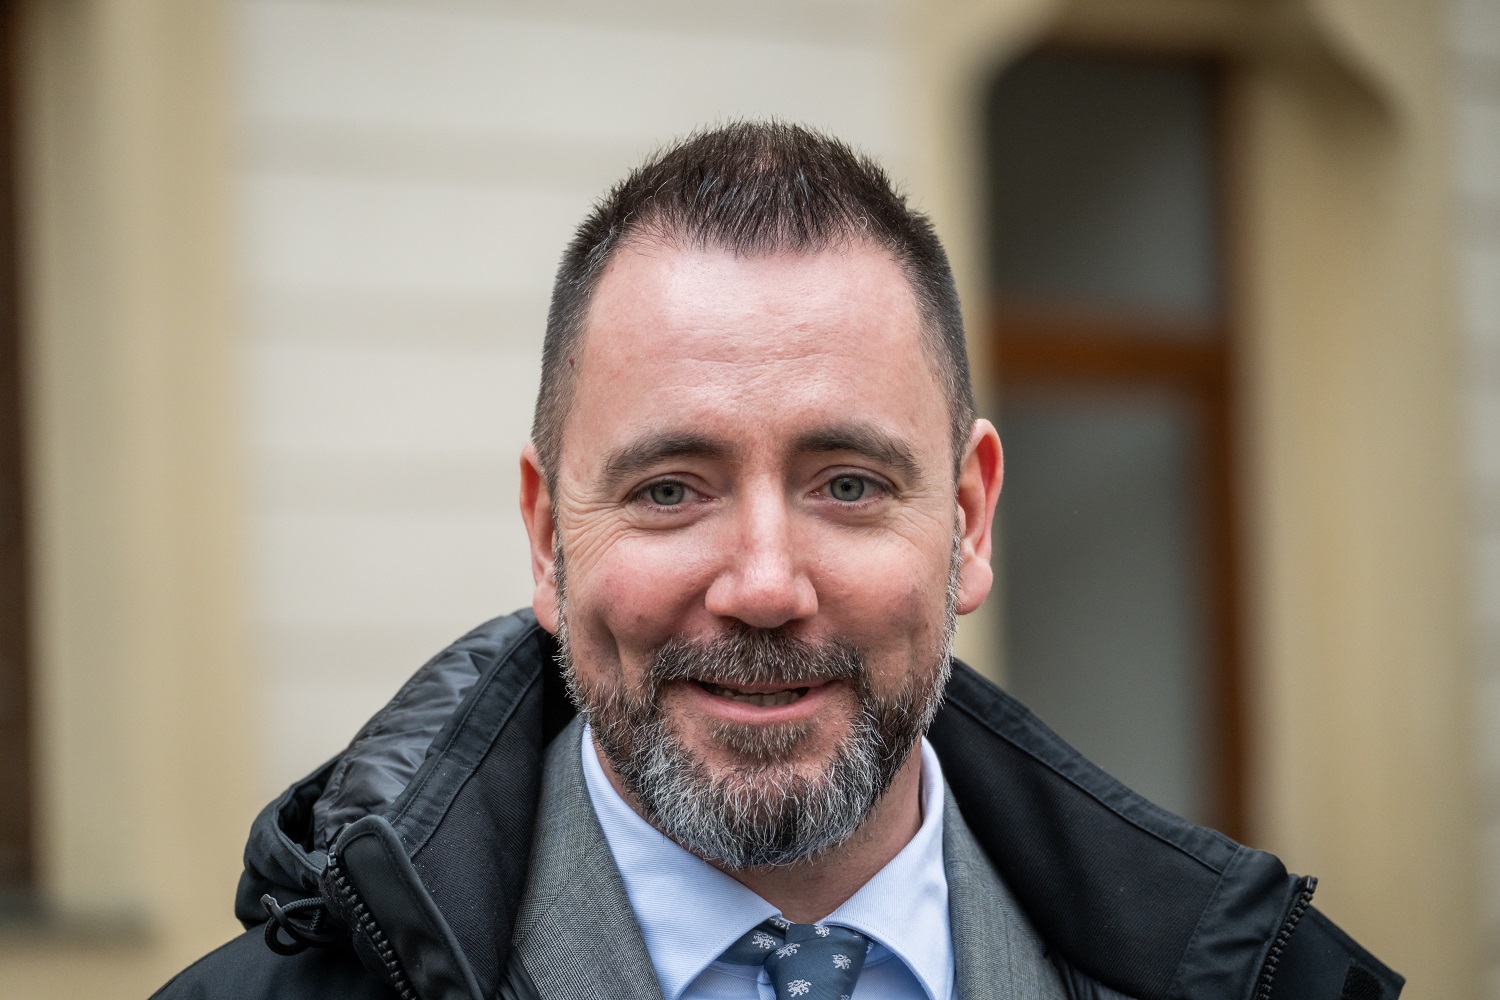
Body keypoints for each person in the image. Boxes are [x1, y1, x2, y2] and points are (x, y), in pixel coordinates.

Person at [155, 123, 1401, 1000]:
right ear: (547, 536)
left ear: (970, 519)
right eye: (670, 489)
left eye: (848, 485)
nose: (762, 585)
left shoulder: (1262, 981)